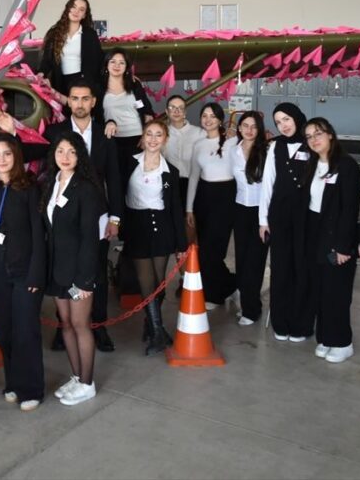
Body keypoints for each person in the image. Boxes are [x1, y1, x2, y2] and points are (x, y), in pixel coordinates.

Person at [0, 78, 123, 353]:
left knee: (96, 270)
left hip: (96, 216)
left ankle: (98, 325)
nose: (79, 103)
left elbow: (114, 178)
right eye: (74, 98)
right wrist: (13, 132)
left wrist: (115, 218)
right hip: (64, 216)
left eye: (85, 98)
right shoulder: (57, 132)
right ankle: (64, 325)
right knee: (62, 266)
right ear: (69, 101)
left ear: (93, 102)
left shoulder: (105, 133)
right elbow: (33, 150)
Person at [0, 133, 46, 411]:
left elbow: (39, 235)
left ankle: (32, 389)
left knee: (26, 331)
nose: (1, 159)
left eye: (7, 153)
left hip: (25, 271)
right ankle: (14, 382)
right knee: (4, 330)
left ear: (16, 156)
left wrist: (36, 274)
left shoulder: (29, 188)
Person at [44, 132, 106, 405]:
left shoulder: (86, 188)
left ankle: (88, 383)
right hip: (57, 268)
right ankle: (77, 376)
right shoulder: (52, 182)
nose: (65, 157)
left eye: (71, 151)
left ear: (80, 155)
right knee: (66, 324)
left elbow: (90, 238)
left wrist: (85, 280)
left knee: (81, 325)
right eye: (60, 151)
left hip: (79, 271)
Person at [121, 120, 187, 355]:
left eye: (158, 135)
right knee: (146, 281)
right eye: (149, 134)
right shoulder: (129, 162)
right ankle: (158, 331)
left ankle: (152, 327)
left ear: (165, 139)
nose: (153, 139)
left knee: (159, 282)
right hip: (137, 226)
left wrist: (181, 243)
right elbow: (118, 194)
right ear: (142, 137)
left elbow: (176, 209)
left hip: (162, 227)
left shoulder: (171, 172)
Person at [304, 118, 360, 364]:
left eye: (318, 133)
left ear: (330, 134)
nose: (314, 139)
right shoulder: (313, 164)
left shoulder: (346, 166)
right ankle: (326, 337)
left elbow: (350, 209)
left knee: (337, 291)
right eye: (309, 136)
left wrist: (343, 246)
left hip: (337, 237)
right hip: (315, 234)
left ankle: (342, 342)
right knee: (320, 289)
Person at [258, 102, 311, 342]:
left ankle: (300, 323)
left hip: (305, 215)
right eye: (278, 122)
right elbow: (267, 183)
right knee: (280, 269)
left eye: (286, 119)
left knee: (302, 267)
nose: (283, 125)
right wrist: (263, 220)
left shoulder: (311, 142)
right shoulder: (275, 146)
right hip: (279, 215)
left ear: (296, 118)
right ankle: (280, 322)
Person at [185, 103, 238, 309]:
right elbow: (193, 177)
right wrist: (189, 208)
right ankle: (226, 286)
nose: (208, 120)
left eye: (212, 116)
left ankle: (221, 291)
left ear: (220, 120)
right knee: (205, 249)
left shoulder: (232, 141)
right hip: (204, 197)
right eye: (204, 115)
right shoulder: (198, 144)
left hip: (226, 196)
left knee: (215, 250)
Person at [228, 111, 269, 326]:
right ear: (239, 127)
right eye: (245, 125)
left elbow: (271, 186)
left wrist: (266, 219)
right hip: (240, 210)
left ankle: (252, 311)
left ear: (259, 129)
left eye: (254, 126)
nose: (249, 130)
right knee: (242, 261)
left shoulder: (267, 151)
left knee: (255, 262)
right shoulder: (233, 150)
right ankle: (248, 304)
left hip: (261, 213)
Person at [37, 0, 104, 103]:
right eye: (73, 7)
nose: (76, 11)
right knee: (64, 111)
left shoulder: (90, 34)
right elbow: (47, 60)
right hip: (60, 81)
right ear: (68, 8)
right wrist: (41, 74)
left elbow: (98, 61)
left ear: (84, 15)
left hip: (83, 82)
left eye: (81, 10)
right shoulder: (55, 33)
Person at [101, 48, 155, 172]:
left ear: (126, 67)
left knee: (136, 176)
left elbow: (148, 112)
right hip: (111, 139)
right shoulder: (99, 87)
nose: (117, 65)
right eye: (113, 61)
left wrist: (146, 137)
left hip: (137, 138)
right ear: (106, 64)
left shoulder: (135, 84)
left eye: (122, 62)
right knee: (115, 176)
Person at [163, 95, 205, 209]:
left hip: (192, 184)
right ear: (166, 111)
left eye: (180, 108)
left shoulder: (199, 133)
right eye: (172, 107)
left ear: (185, 112)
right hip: (169, 183)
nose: (176, 111)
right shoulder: (162, 133)